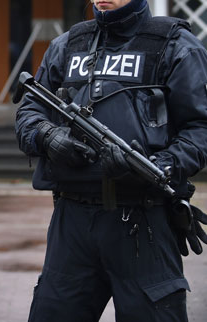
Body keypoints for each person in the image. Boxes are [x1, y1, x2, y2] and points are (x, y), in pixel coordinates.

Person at [15, 0, 207, 321]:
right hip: (73, 222)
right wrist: (47, 136)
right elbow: (29, 110)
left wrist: (161, 165)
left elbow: (200, 127)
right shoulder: (68, 45)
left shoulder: (175, 45)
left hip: (144, 220)